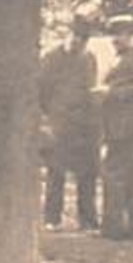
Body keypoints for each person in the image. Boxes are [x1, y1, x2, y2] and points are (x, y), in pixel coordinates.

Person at [40, 17, 101, 231]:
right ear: (67, 35)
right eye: (74, 36)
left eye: (82, 39)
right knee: (56, 171)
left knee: (87, 172)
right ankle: (51, 218)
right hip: (60, 121)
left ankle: (88, 219)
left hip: (84, 124)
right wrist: (47, 118)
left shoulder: (89, 59)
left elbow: (90, 88)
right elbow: (41, 91)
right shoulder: (50, 58)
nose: (76, 42)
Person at [100, 15, 133, 240]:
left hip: (130, 127)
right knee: (128, 177)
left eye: (119, 35)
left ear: (130, 35)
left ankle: (118, 228)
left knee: (120, 176)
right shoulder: (121, 59)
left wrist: (111, 93)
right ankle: (130, 227)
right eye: (113, 35)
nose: (115, 40)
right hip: (119, 126)